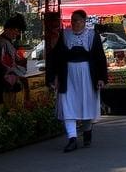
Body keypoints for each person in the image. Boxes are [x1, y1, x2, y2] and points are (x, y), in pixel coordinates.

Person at [48, 9, 108, 152]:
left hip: (87, 74)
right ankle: (72, 138)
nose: (74, 23)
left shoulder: (92, 35)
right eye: (73, 20)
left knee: (86, 104)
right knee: (67, 104)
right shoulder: (65, 35)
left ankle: (87, 130)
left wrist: (101, 78)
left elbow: (100, 57)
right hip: (67, 75)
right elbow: (56, 57)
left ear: (84, 21)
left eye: (78, 20)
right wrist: (54, 76)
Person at [0, 13, 27, 107]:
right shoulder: (0, 45)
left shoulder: (6, 43)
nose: (17, 34)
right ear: (8, 29)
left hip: (6, 85)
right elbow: (1, 68)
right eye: (16, 30)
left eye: (19, 31)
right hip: (1, 88)